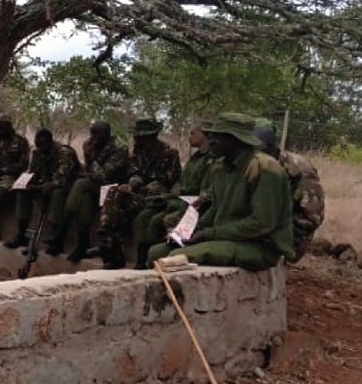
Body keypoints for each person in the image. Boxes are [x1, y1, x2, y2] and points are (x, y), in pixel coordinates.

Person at [147, 113, 293, 270]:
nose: (210, 141)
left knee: (174, 258)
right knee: (155, 252)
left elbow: (262, 223)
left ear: (235, 140)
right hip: (225, 238)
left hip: (258, 246)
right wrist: (190, 232)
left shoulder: (265, 168)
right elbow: (215, 208)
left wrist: (209, 234)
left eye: (216, 137)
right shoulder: (219, 167)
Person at [96, 118, 181, 269]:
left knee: (127, 208)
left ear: (149, 136)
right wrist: (130, 185)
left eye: (138, 135)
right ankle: (109, 244)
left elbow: (167, 180)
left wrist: (143, 187)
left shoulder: (169, 153)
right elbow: (135, 172)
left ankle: (115, 246)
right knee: (114, 193)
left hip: (157, 195)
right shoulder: (138, 150)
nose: (135, 138)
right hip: (140, 190)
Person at [44, 120, 130, 262]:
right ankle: (83, 243)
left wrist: (90, 156)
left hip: (113, 189)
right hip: (94, 187)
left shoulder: (119, 148)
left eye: (97, 136)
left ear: (107, 135)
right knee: (84, 200)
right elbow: (89, 172)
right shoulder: (92, 145)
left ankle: (60, 233)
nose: (93, 139)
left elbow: (103, 175)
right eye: (92, 135)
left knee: (81, 185)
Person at [136, 120, 215, 266]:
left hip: (190, 203)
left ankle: (152, 262)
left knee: (157, 220)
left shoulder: (211, 159)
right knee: (144, 216)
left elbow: (204, 189)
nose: (189, 137)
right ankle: (141, 260)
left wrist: (181, 190)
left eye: (193, 133)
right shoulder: (196, 157)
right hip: (177, 199)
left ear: (205, 135)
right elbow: (181, 178)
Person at [255, 120, 325, 261]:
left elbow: (312, 218)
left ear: (268, 146)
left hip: (290, 232)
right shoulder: (253, 163)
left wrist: (273, 229)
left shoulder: (299, 169)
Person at [3, 129, 80, 249]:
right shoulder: (37, 152)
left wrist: (47, 185)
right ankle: (21, 233)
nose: (40, 149)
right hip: (45, 184)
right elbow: (33, 172)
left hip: (66, 186)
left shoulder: (64, 153)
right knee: (23, 192)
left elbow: (63, 178)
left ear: (50, 142)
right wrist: (25, 183)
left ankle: (57, 237)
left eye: (43, 145)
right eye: (38, 145)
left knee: (57, 193)